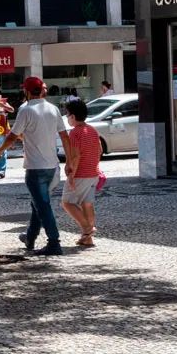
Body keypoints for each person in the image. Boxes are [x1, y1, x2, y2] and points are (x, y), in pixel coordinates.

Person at [0, 77, 73, 256]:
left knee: (43, 206)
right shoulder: (53, 109)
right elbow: (65, 137)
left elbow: (13, 136)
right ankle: (30, 237)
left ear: (27, 92)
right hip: (53, 168)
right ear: (42, 91)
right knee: (37, 204)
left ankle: (54, 242)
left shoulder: (26, 110)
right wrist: (69, 161)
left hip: (35, 169)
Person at [61, 100, 103, 248]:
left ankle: (87, 229)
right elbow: (99, 150)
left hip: (81, 174)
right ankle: (88, 239)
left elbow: (76, 156)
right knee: (87, 203)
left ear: (72, 116)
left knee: (67, 202)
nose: (66, 117)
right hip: (93, 173)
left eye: (67, 114)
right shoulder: (92, 130)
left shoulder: (75, 132)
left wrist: (72, 175)